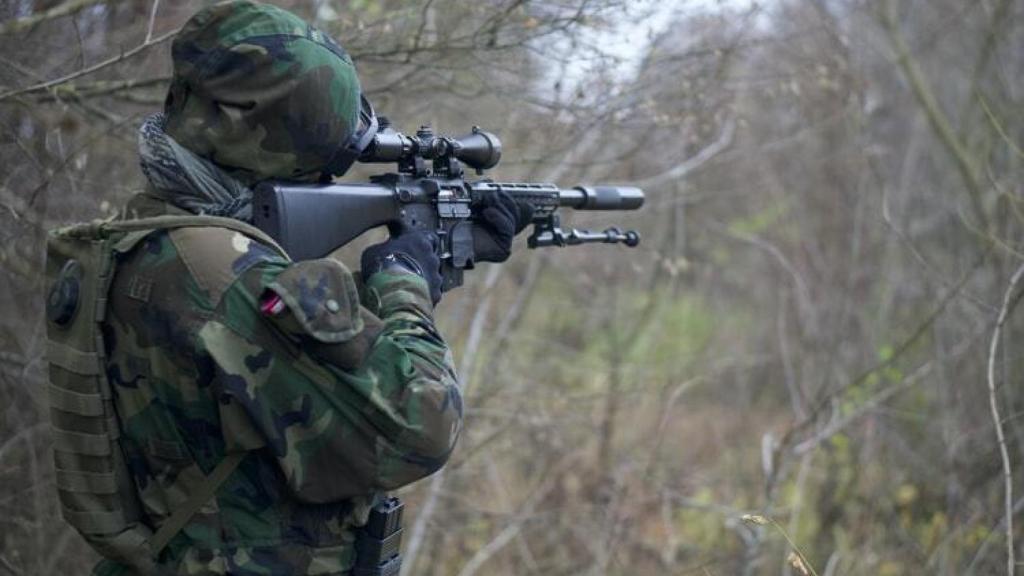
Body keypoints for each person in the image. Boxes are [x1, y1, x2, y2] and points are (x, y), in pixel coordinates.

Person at [91, 1, 527, 573]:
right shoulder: (222, 275)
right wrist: (405, 285)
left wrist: (418, 263)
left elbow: (270, 351)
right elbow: (422, 427)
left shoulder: (143, 238)